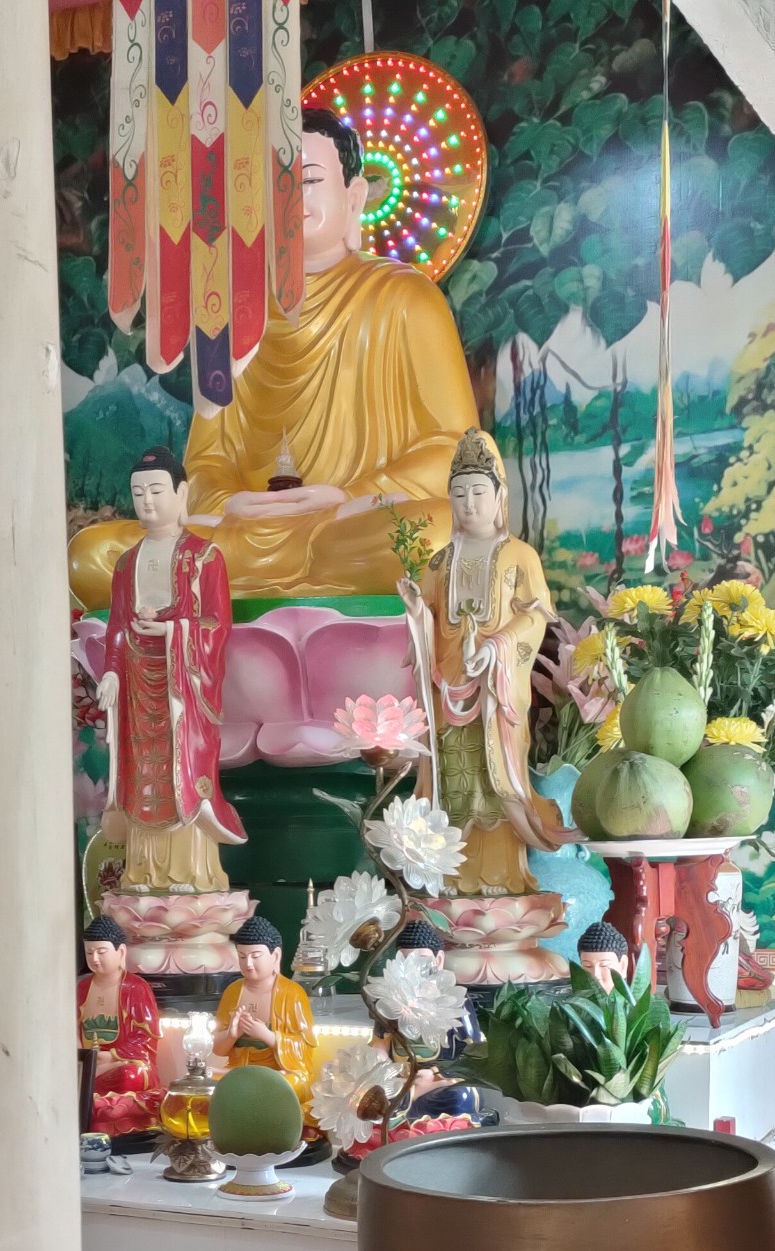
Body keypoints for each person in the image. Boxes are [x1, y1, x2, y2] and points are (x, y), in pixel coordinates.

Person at [68, 106, 478, 606]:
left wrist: (345, 497)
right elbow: (206, 465)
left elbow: (458, 455)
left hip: (348, 526)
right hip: (249, 535)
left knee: (432, 537)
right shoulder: (232, 314)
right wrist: (232, 502)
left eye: (307, 181)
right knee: (91, 556)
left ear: (353, 197)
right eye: (272, 187)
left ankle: (262, 586)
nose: (289, 200)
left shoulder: (406, 298)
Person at [401, 429, 566, 895]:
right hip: (448, 689)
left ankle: (505, 878)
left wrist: (497, 646)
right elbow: (430, 620)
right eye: (458, 494)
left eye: (478, 492)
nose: (468, 504)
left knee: (495, 784)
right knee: (454, 783)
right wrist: (415, 611)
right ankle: (449, 879)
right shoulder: (438, 563)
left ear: (499, 497)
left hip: (496, 694)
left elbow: (536, 616)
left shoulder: (519, 556)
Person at [96, 449, 246, 893]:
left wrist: (171, 632)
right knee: (143, 774)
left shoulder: (205, 556)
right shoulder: (125, 563)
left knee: (180, 770)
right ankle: (142, 873)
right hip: (137, 685)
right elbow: (117, 627)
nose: (147, 501)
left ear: (182, 494)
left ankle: (192, 873)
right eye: (138, 493)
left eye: (157, 490)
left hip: (183, 689)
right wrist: (111, 673)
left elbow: (217, 625)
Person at [210, 914, 314, 1105]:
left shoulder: (292, 993)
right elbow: (218, 1049)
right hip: (238, 1071)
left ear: (275, 956)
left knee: (290, 1084)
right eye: (242, 956)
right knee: (204, 1081)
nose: (248, 964)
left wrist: (267, 1036)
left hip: (278, 1072)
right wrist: (232, 1034)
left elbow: (305, 1048)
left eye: (256, 956)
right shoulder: (233, 992)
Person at [77, 915, 163, 1134]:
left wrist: (111, 1056)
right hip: (88, 1063)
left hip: (121, 1063)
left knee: (130, 1076)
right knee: (73, 1077)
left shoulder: (136, 988)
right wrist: (81, 1056)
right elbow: (71, 1030)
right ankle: (103, 1106)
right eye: (89, 953)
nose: (95, 959)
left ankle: (100, 1106)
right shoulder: (81, 988)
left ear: (121, 952)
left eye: (101, 952)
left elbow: (145, 1038)